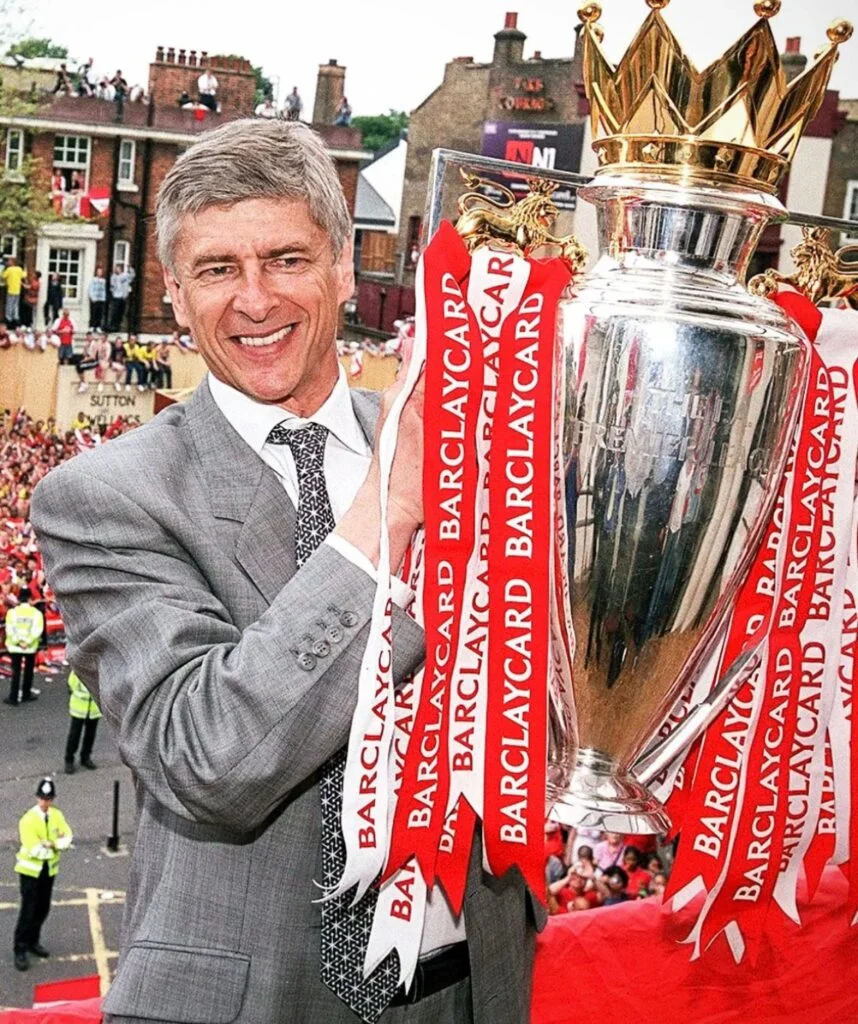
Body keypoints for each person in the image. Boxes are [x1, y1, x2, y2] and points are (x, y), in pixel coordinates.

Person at [32, 118, 538, 1024]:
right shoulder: (104, 495)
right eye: (217, 269)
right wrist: (388, 510)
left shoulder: (460, 441)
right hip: (246, 998)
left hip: (468, 985)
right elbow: (208, 757)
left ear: (345, 269)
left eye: (287, 259)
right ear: (175, 294)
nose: (255, 300)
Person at [12, 777, 73, 971]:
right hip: (30, 872)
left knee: (42, 908)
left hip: (48, 870)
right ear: (37, 797)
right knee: (28, 910)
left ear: (52, 799)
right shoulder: (27, 820)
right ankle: (20, 949)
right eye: (42, 798)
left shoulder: (57, 815)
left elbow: (68, 837)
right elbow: (34, 849)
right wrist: (56, 845)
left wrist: (51, 844)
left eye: (48, 799)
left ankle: (33, 941)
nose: (45, 802)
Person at [4, 595, 44, 705]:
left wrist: (18, 642)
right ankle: (26, 694)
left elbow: (9, 629)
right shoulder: (36, 613)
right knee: (28, 671)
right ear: (30, 599)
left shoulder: (12, 612)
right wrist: (27, 642)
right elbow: (37, 630)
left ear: (19, 599)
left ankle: (13, 697)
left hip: (15, 647)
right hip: (29, 648)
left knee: (16, 672)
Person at [64, 669, 101, 773]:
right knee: (74, 735)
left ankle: (85, 757)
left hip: (93, 708)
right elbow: (71, 684)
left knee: (90, 735)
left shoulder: (99, 671)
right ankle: (69, 759)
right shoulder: (78, 670)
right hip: (79, 707)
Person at [2, 257, 26, 327]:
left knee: (9, 305)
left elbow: (3, 276)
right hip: (17, 290)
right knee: (15, 305)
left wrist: (4, 268)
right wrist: (25, 269)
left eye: (9, 261)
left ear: (12, 262)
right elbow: (24, 275)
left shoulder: (9, 269)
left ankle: (8, 318)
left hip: (10, 290)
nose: (8, 262)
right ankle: (16, 318)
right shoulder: (19, 269)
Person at [109, 264, 131, 330]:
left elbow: (131, 276)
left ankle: (118, 326)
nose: (117, 270)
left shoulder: (124, 276)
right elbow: (112, 285)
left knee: (121, 312)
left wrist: (130, 268)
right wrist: (113, 292)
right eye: (116, 269)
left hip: (123, 296)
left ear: (121, 269)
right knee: (115, 312)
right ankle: (113, 325)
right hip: (116, 296)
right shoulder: (113, 277)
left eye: (118, 268)